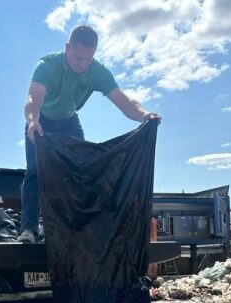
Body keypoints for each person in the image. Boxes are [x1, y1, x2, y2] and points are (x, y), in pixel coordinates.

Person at [18, 25, 161, 243]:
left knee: (80, 172)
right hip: (41, 121)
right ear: (67, 48)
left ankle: (67, 228)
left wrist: (144, 115)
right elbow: (33, 99)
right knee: (36, 172)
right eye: (78, 58)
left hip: (69, 122)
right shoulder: (47, 65)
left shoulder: (96, 71)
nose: (82, 65)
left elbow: (124, 101)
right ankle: (28, 228)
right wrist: (32, 122)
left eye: (88, 59)